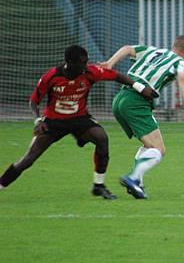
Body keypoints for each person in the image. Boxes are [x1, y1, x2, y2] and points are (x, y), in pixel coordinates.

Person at [0, 45, 155, 199]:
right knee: (28, 159)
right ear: (70, 62)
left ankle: (98, 186)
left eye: (86, 61)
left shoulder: (90, 72)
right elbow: (34, 101)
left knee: (101, 138)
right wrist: (38, 120)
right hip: (54, 122)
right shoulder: (52, 76)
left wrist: (140, 88)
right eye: (82, 62)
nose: (85, 66)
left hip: (79, 119)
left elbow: (116, 76)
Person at [101, 35, 184, 199]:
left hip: (120, 99)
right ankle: (132, 178)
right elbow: (182, 77)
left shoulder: (153, 51)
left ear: (173, 45)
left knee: (150, 145)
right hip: (136, 102)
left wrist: (110, 64)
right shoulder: (179, 61)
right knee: (158, 149)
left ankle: (137, 183)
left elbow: (126, 48)